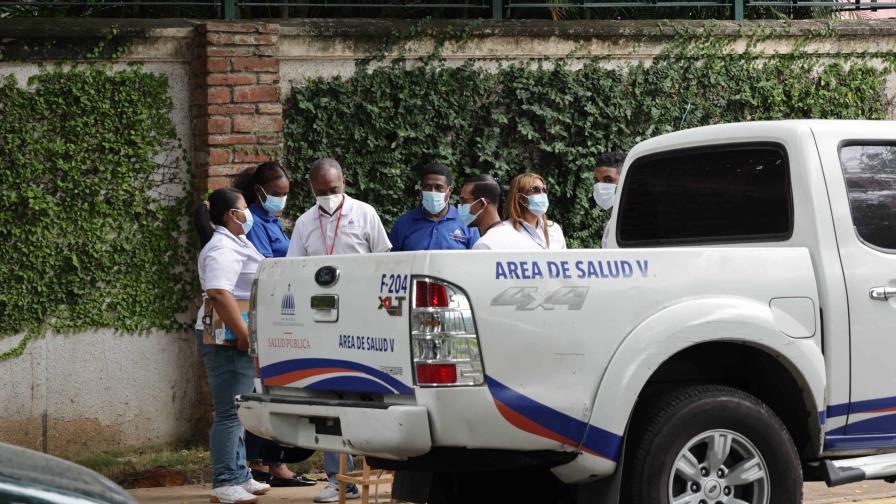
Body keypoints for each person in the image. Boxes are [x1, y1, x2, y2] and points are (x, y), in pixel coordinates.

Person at [286, 158, 391, 503]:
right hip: (324, 322)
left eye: (334, 190)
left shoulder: (365, 214)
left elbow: (384, 262)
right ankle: (337, 479)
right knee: (329, 398)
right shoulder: (304, 223)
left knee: (367, 397)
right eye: (321, 192)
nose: (328, 197)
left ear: (343, 181)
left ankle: (374, 469)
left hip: (363, 320)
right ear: (311, 189)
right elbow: (295, 269)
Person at [233, 162, 317, 489]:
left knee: (274, 389)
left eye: (285, 194)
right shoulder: (255, 223)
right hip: (269, 313)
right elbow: (267, 267)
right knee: (264, 390)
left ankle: (270, 463)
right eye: (277, 194)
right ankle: (264, 463)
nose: (282, 200)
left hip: (281, 314)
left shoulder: (272, 219)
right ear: (260, 192)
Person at [194, 188, 271, 504]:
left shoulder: (236, 242)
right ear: (231, 214)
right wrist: (243, 335)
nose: (249, 212)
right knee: (229, 412)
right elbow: (219, 293)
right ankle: (225, 481)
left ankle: (240, 474)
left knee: (239, 409)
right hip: (226, 340)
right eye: (244, 208)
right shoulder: (222, 248)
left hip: (235, 337)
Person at [389, 160, 479, 251]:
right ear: (421, 190)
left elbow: (477, 260)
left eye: (439, 188)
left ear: (449, 191)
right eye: (427, 187)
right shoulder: (403, 223)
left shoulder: (467, 221)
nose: (432, 192)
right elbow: (392, 262)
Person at [458, 174, 540, 250]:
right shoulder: (519, 237)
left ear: (482, 203)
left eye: (464, 201)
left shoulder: (484, 245)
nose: (460, 206)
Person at [505, 172, 567, 250]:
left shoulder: (554, 229)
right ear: (520, 198)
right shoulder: (506, 230)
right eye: (535, 189)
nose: (542, 194)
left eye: (544, 190)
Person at [593, 151, 625, 248]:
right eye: (597, 181)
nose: (600, 186)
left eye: (608, 180)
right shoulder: (613, 221)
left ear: (624, 179)